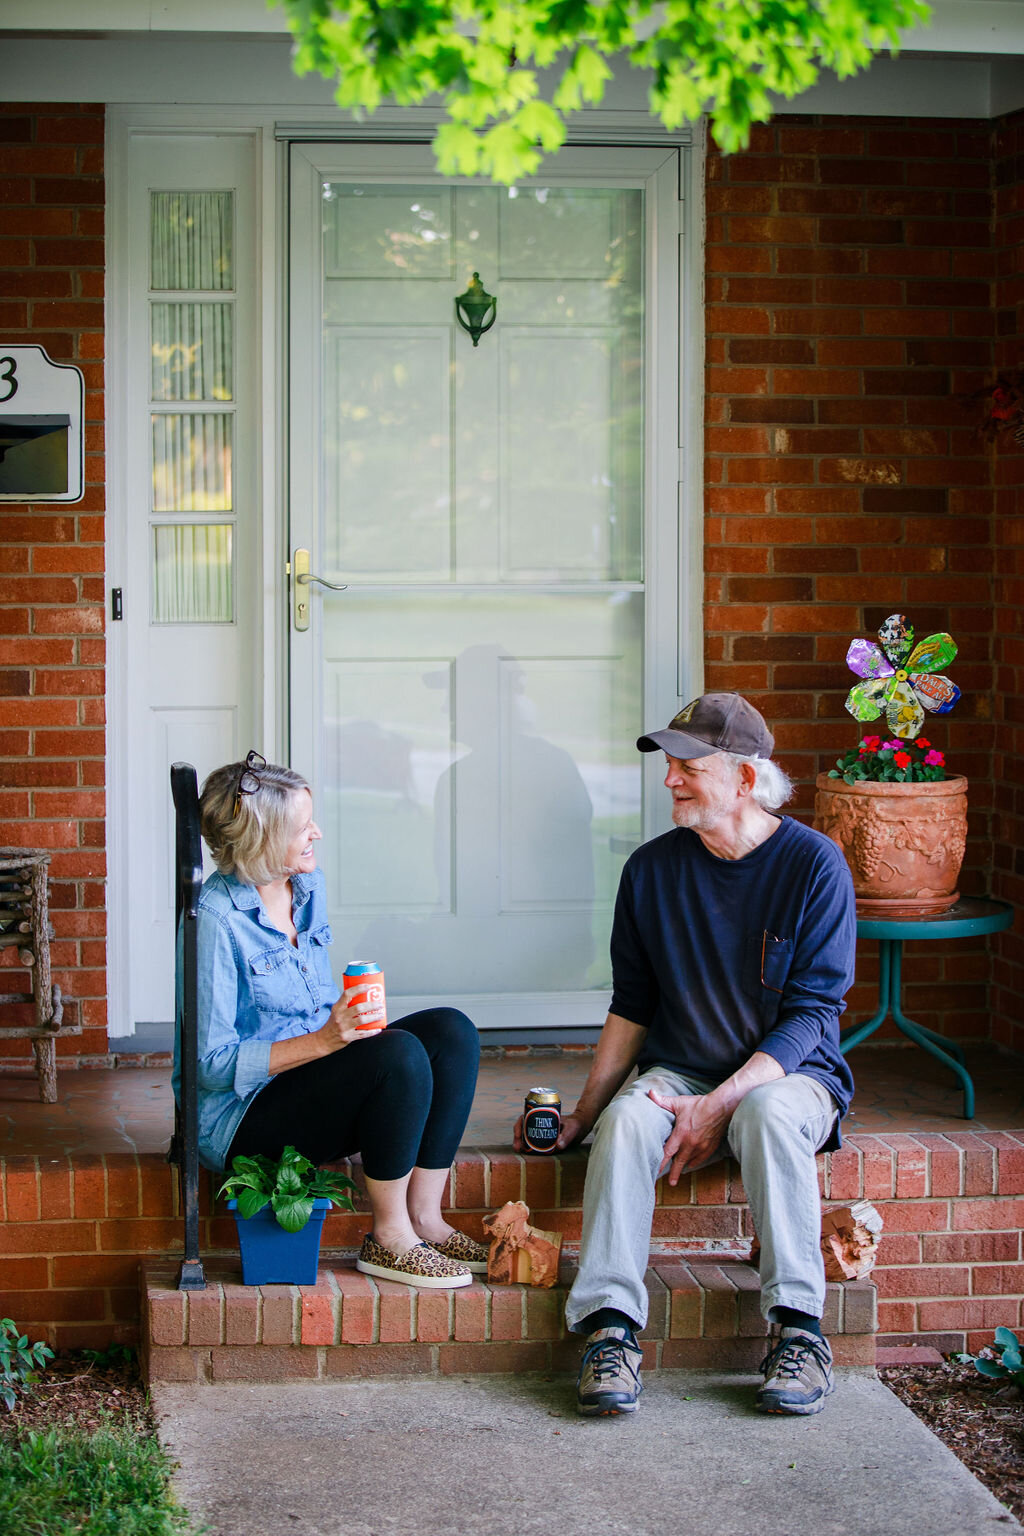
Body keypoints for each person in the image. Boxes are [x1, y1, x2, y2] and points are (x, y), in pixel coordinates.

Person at [516, 693, 856, 1416]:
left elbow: (811, 1017)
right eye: (668, 764)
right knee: (629, 1124)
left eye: (687, 766)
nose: (669, 779)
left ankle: (799, 1331)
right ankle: (609, 1331)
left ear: (743, 778)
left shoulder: (813, 866)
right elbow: (632, 1007)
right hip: (682, 1070)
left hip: (790, 1074)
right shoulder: (650, 872)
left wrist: (720, 1105)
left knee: (763, 1115)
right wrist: (583, 1113)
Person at [174, 751, 487, 1289]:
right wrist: (328, 1041)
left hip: (309, 1080)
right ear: (262, 838)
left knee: (451, 1032)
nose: (316, 832)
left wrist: (347, 1028)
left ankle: (426, 1219)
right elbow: (208, 1065)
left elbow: (314, 1008)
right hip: (241, 1117)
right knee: (398, 1055)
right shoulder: (215, 922)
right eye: (302, 826)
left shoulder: (306, 888)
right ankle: (389, 1238)